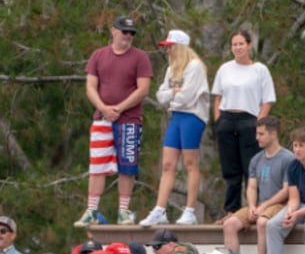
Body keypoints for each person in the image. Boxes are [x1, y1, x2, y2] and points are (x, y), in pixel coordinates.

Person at [75, 15, 153, 227]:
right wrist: (103, 107)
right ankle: (91, 209)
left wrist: (119, 108)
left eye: (131, 33)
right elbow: (91, 86)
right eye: (124, 32)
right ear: (113, 31)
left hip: (129, 119)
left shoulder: (140, 57)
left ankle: (123, 211)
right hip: (102, 118)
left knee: (127, 166)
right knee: (97, 165)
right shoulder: (98, 55)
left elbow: (143, 89)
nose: (128, 36)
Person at [140, 30, 209, 227]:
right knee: (168, 164)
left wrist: (173, 96)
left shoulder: (195, 67)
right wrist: (173, 92)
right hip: (176, 117)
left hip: (192, 117)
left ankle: (190, 210)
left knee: (190, 163)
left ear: (179, 47)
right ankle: (160, 209)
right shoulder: (172, 69)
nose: (168, 51)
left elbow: (186, 97)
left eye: (170, 46)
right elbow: (161, 96)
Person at [212, 29, 276, 223]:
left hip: (249, 120)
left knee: (251, 168)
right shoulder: (225, 69)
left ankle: (252, 209)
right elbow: (218, 96)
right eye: (234, 44)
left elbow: (268, 100)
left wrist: (258, 123)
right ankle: (231, 210)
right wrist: (218, 119)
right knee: (230, 169)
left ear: (249, 45)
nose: (238, 48)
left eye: (241, 44)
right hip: (227, 119)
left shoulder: (260, 70)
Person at [222, 115, 293, 254]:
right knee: (229, 224)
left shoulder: (287, 158)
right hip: (259, 204)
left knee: (262, 223)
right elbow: (252, 187)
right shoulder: (256, 159)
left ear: (273, 134)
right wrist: (253, 206)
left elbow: (286, 190)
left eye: (261, 134)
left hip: (278, 204)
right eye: (257, 133)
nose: (257, 138)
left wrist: (265, 207)